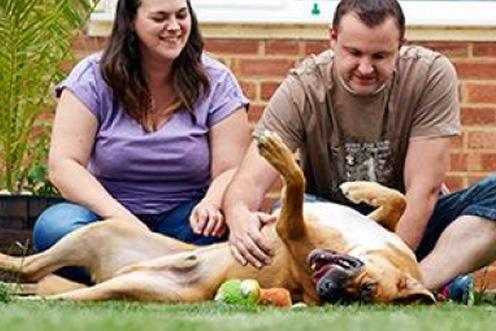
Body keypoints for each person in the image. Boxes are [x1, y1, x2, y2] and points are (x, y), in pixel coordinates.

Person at [223, 0, 496, 302]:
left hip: (406, 228)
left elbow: (424, 190)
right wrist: (239, 215)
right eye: (354, 53)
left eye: (380, 56)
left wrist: (390, 267)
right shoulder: (303, 87)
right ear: (333, 39)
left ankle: (416, 283)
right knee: (286, 213)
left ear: (400, 45)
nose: (365, 68)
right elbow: (249, 180)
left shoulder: (429, 74)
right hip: (332, 232)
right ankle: (411, 289)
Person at [34, 0, 250, 281]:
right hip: (107, 218)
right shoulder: (91, 77)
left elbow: (231, 168)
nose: (174, 27)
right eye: (160, 17)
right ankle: (174, 273)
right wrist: (123, 222)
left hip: (185, 221)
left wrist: (211, 203)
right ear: (131, 22)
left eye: (182, 16)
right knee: (53, 228)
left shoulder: (217, 81)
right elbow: (64, 165)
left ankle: (128, 270)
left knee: (230, 232)